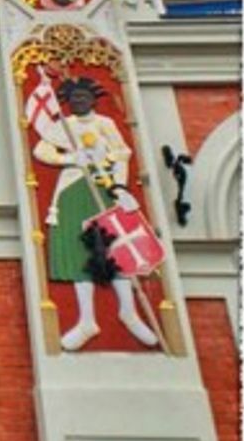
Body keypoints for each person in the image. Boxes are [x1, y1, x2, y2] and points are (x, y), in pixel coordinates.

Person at [32, 76, 158, 351]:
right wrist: (69, 158)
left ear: (93, 99)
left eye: (83, 97)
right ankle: (87, 319)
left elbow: (123, 152)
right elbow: (40, 150)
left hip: (102, 188)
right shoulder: (64, 125)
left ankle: (129, 311)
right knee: (78, 251)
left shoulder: (105, 123)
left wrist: (117, 181)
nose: (79, 101)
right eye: (74, 98)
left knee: (116, 248)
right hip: (72, 189)